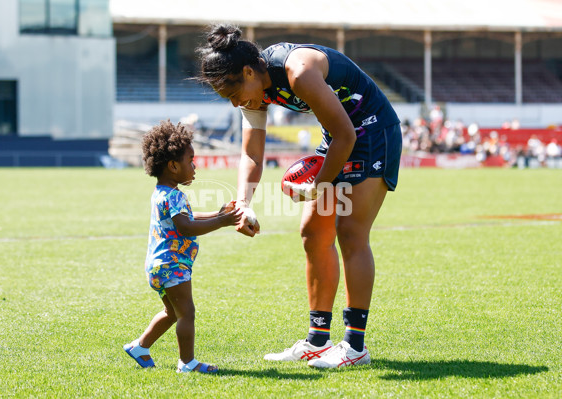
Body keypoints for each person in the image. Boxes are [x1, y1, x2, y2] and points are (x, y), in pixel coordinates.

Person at [196, 24, 402, 368]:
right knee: (313, 233)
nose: (234, 103)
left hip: (372, 132)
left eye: (233, 92)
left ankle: (355, 346)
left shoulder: (298, 71)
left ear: (249, 71)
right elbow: (252, 154)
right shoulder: (254, 90)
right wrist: (242, 204)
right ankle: (318, 340)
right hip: (339, 136)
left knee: (351, 234)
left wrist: (319, 185)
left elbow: (346, 134)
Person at [123, 120, 242, 373]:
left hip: (159, 265)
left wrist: (216, 213)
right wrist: (222, 221)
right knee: (187, 313)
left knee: (172, 312)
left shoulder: (162, 193)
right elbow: (185, 227)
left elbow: (186, 217)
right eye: (191, 160)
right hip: (172, 265)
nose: (194, 166)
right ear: (173, 165)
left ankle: (140, 347)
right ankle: (187, 363)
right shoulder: (174, 195)